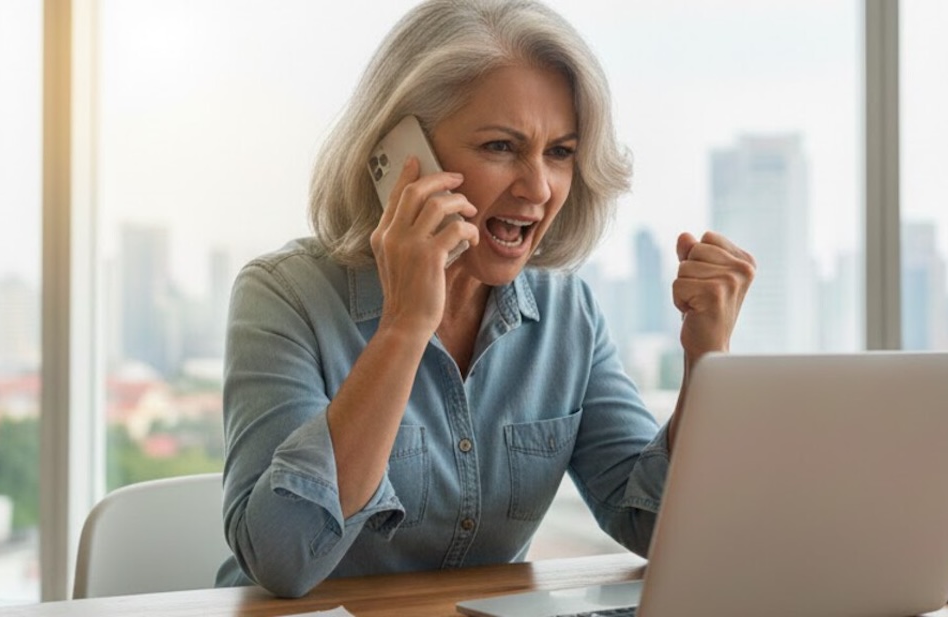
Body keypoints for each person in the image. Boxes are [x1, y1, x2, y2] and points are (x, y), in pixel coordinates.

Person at [216, 0, 755, 598]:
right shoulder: (284, 296)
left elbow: (657, 524)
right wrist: (404, 327)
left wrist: (707, 360)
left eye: (560, 152)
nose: (539, 188)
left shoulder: (567, 312)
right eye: (501, 146)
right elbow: (283, 559)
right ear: (402, 155)